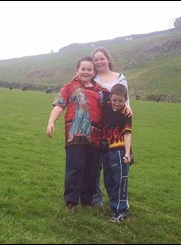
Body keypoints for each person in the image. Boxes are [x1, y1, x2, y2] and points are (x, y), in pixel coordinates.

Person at [46, 56, 105, 212]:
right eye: (83, 69)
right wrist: (51, 121)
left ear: (94, 72)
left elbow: (111, 109)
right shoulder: (69, 87)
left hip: (96, 137)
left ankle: (87, 200)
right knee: (75, 168)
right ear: (77, 70)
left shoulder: (100, 91)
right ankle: (71, 201)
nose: (86, 72)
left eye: (89, 69)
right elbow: (59, 105)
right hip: (75, 135)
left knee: (91, 170)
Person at [91, 47, 132, 208]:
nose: (99, 61)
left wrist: (128, 118)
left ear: (108, 59)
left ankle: (121, 204)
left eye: (101, 58)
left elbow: (126, 103)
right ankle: (96, 200)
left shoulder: (120, 79)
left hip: (116, 131)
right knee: (95, 166)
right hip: (96, 127)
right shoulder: (92, 78)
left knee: (117, 170)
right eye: (96, 59)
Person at [100, 83, 132, 222]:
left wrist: (127, 153)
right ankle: (114, 207)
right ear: (110, 98)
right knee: (109, 181)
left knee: (120, 180)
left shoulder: (126, 112)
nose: (117, 103)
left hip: (119, 151)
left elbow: (127, 133)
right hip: (105, 149)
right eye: (114, 100)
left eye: (120, 101)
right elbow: (100, 86)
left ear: (125, 99)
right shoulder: (106, 104)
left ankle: (121, 210)